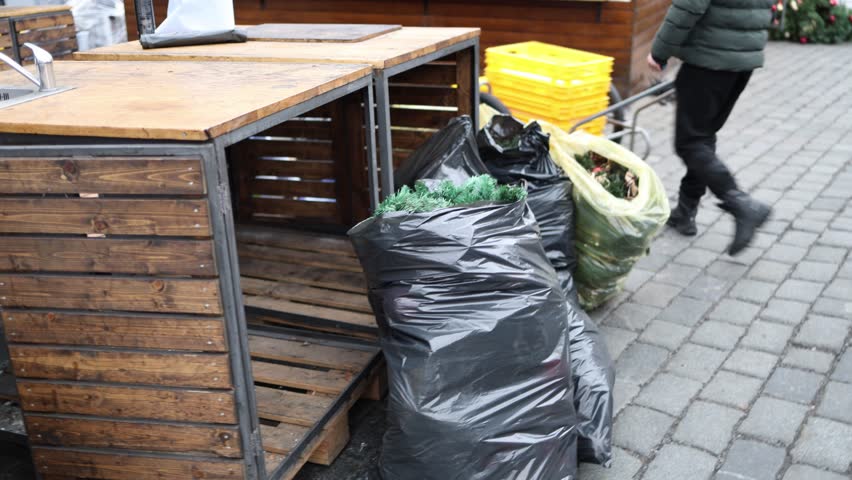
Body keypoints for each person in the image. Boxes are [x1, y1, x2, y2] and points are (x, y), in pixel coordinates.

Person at [647, 0, 774, 255]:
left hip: (709, 60)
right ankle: (685, 212)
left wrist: (659, 52)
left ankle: (742, 204)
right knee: (702, 137)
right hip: (742, 61)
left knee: (690, 142)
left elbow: (688, 6)